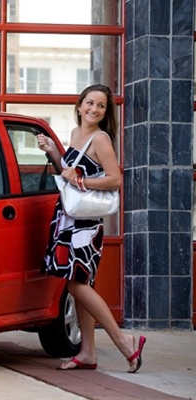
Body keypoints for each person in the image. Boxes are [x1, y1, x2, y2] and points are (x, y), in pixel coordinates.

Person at [36, 84, 146, 373]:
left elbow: (114, 180)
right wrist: (52, 152)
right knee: (81, 285)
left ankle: (124, 340)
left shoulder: (101, 139)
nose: (94, 109)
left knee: (77, 283)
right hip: (68, 218)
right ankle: (87, 352)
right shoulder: (75, 134)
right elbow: (69, 172)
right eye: (90, 103)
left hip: (85, 225)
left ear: (105, 112)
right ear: (80, 104)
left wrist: (82, 182)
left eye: (100, 106)